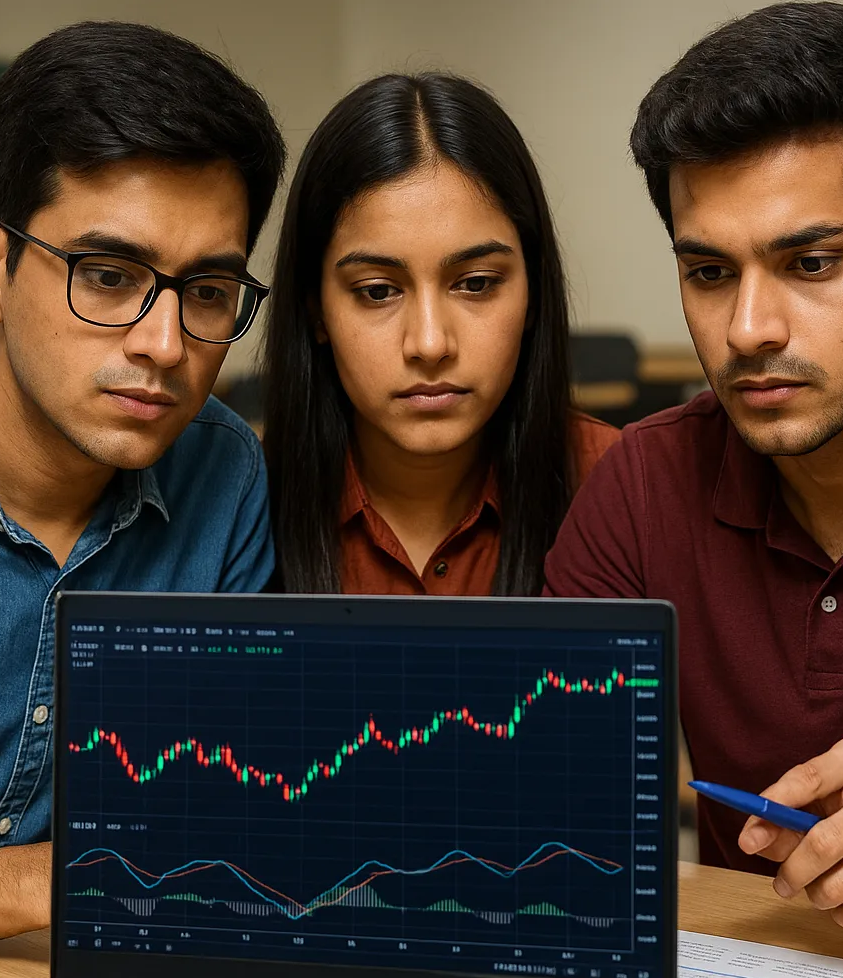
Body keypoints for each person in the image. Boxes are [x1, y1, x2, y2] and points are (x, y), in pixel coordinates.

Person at [544, 1, 843, 930]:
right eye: (709, 272)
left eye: (810, 263)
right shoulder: (643, 486)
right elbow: (556, 811)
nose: (748, 330)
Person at [0, 22, 284, 951]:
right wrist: (52, 876)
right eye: (109, 276)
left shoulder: (224, 475)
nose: (165, 345)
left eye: (207, 291)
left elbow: (221, 831)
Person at [261, 73, 617, 597]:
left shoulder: (623, 490)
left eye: (475, 284)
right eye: (378, 291)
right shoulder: (238, 509)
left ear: (534, 295)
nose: (429, 344)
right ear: (316, 310)